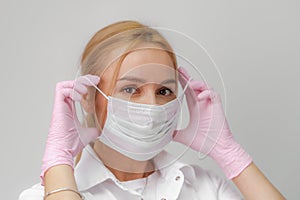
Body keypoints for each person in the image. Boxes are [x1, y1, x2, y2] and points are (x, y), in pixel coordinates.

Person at [19, 20, 285, 200]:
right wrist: (59, 163)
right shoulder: (45, 194)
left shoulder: (203, 188)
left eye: (164, 91)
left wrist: (231, 155)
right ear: (88, 97)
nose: (151, 105)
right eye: (131, 89)